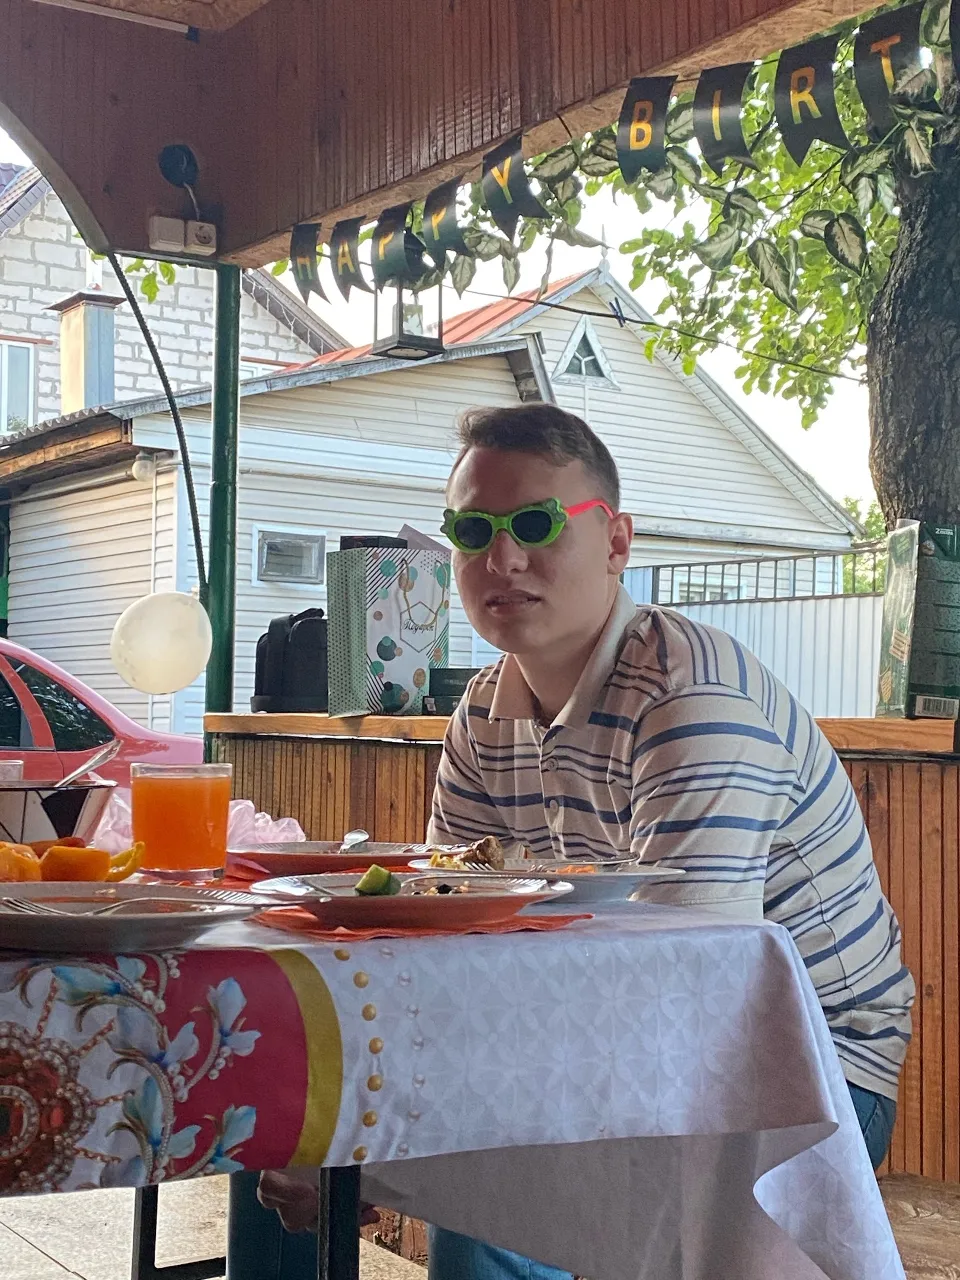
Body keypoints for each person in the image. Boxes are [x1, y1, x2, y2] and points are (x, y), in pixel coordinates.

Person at [261, 402, 914, 1280]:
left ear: (616, 543)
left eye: (535, 523)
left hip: (809, 1076)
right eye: (472, 529)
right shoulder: (482, 715)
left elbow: (692, 997)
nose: (502, 558)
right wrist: (364, 1129)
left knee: (480, 1197)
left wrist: (400, 1150)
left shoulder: (690, 698)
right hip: (614, 1036)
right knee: (281, 1131)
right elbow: (452, 949)